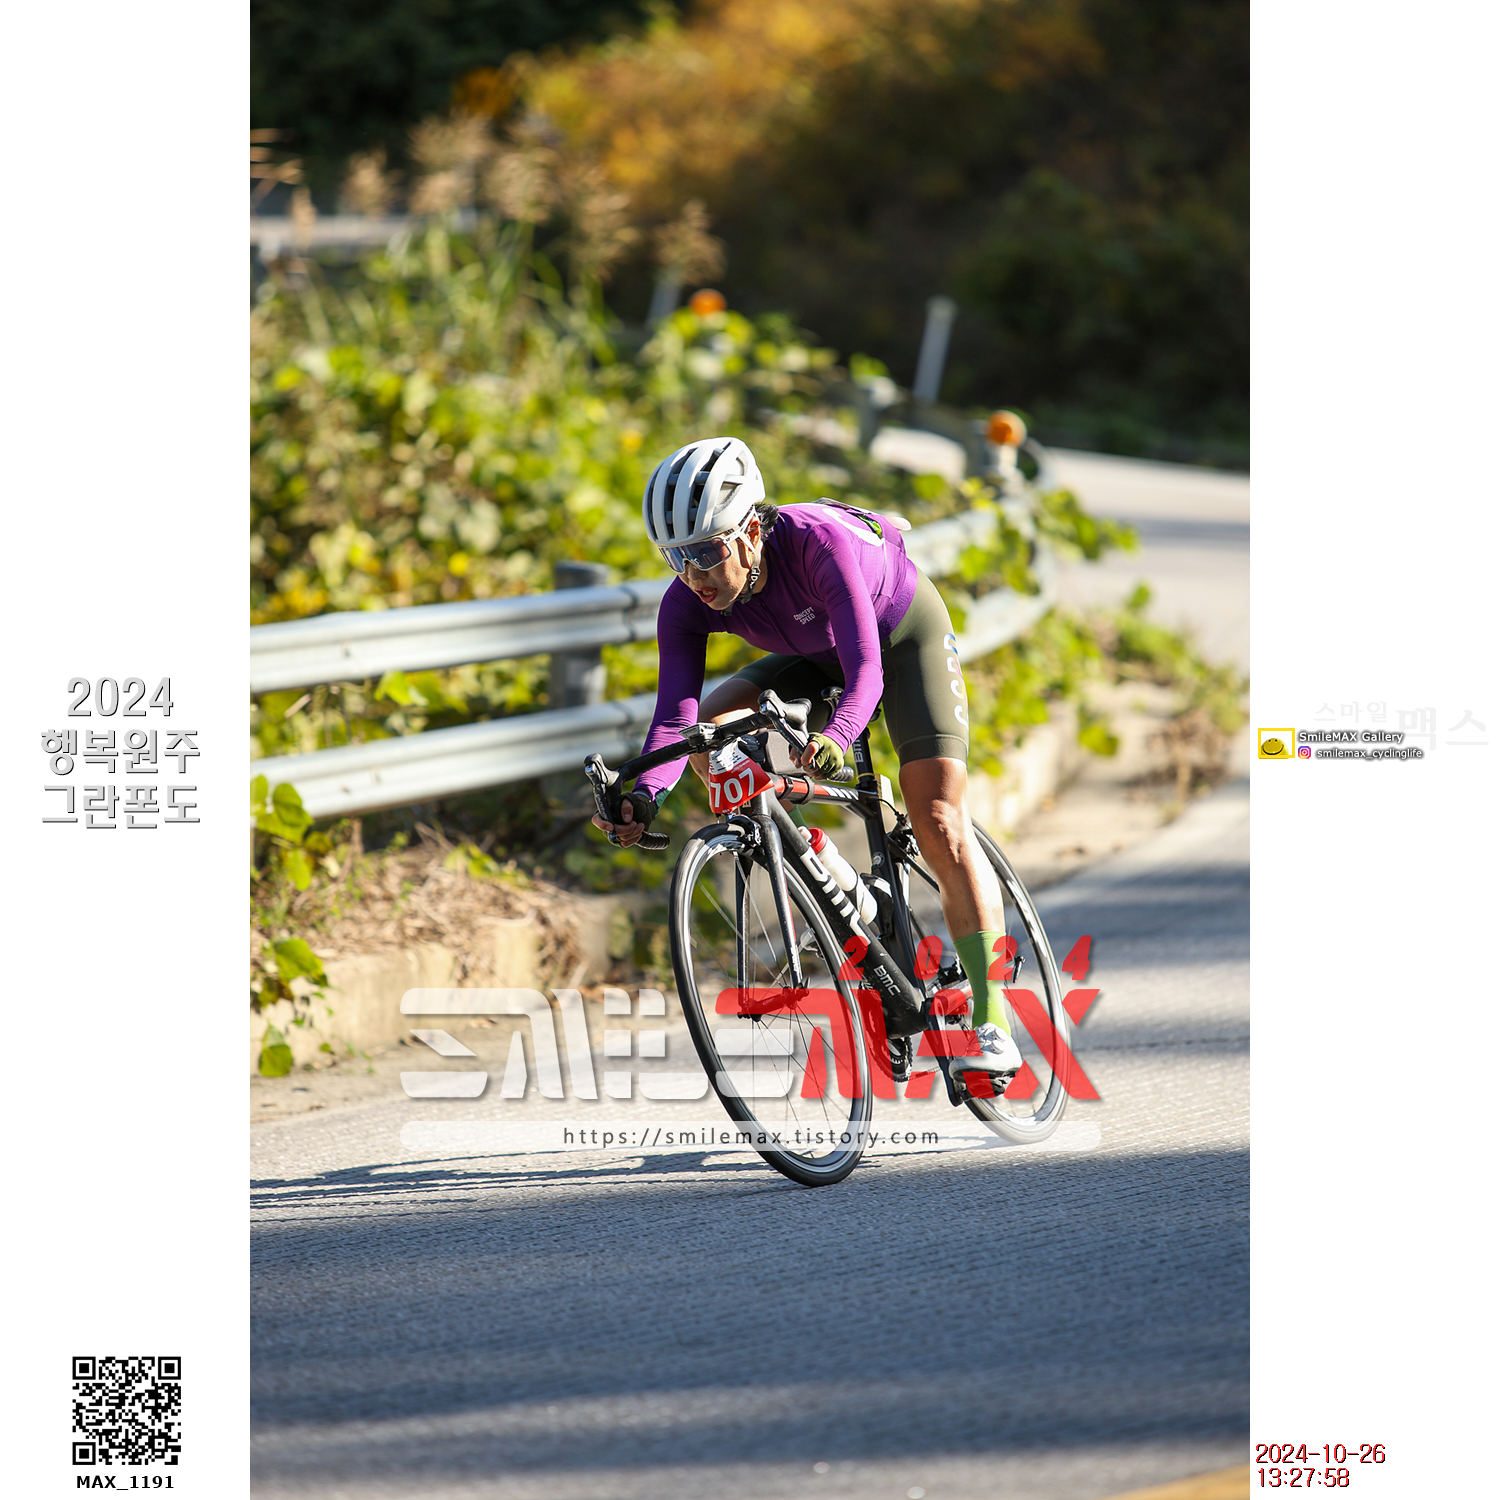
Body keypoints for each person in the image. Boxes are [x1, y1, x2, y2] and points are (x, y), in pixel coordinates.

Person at [591, 435, 1021, 1084]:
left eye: (705, 552)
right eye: (675, 557)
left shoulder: (817, 544)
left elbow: (867, 672)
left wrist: (838, 736)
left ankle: (993, 1022)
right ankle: (814, 862)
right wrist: (644, 794)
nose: (693, 575)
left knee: (936, 815)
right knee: (712, 733)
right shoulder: (685, 601)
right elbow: (675, 719)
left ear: (749, 531)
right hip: (812, 656)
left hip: (901, 638)